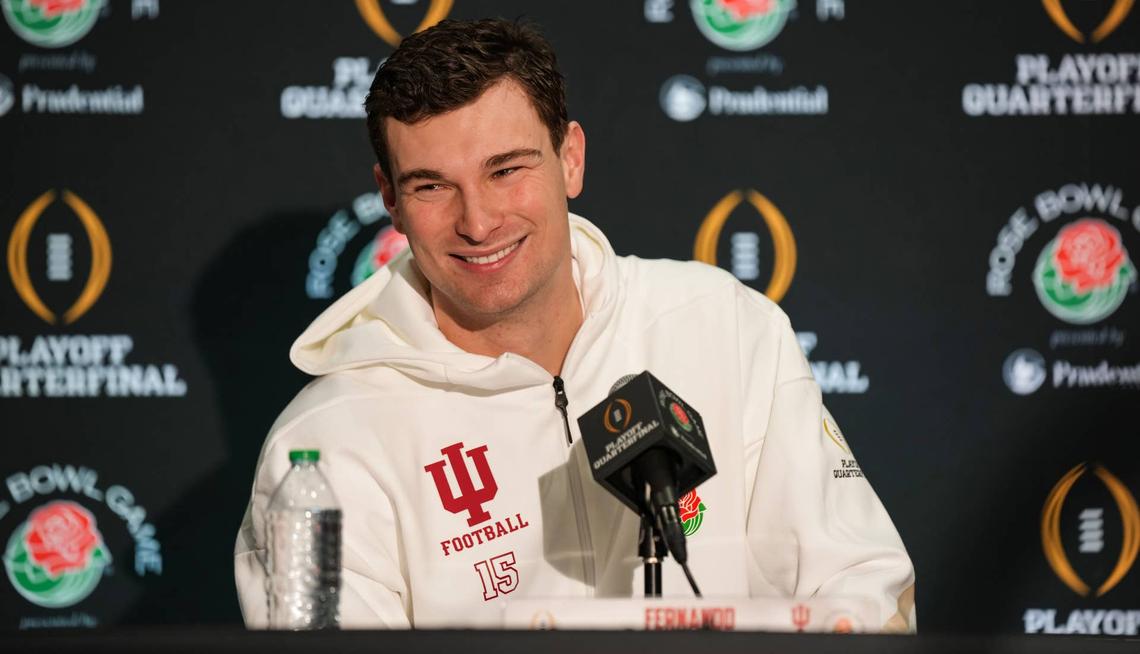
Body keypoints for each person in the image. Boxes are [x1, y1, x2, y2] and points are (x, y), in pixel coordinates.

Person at [234, 18, 915, 631]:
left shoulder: (726, 327)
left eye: (506, 170)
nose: (478, 222)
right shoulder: (328, 444)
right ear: (390, 197)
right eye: (432, 186)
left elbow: (863, 595)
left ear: (570, 158)